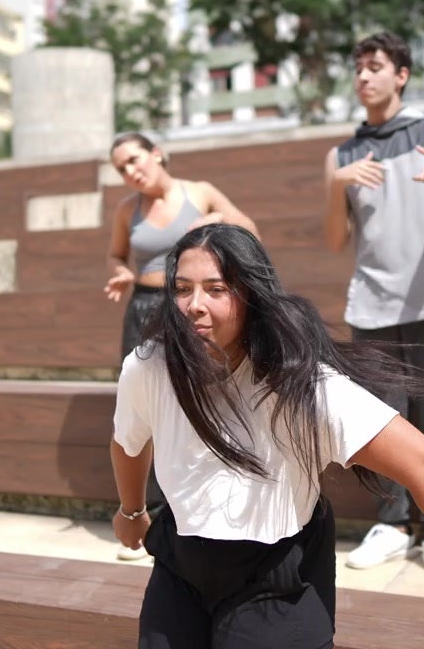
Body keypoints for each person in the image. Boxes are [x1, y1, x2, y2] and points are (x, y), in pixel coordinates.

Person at [110, 223, 424, 648]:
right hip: (181, 560)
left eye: (216, 289)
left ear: (251, 295)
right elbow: (128, 441)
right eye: (182, 289)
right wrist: (131, 511)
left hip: (274, 575)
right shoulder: (149, 366)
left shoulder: (304, 386)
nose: (194, 305)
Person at [322, 31, 424, 583]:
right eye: (358, 67)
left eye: (375, 66)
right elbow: (336, 241)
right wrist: (336, 185)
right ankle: (392, 525)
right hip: (373, 307)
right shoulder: (341, 154)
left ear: (401, 74)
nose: (364, 76)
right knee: (379, 426)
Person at [104, 131, 259, 561]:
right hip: (145, 307)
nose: (130, 171)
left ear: (156, 154)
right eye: (121, 168)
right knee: (147, 410)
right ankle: (152, 517)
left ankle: (207, 508)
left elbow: (249, 230)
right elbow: (115, 255)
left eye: (134, 159)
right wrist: (120, 272)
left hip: (194, 307)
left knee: (201, 403)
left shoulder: (199, 192)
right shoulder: (127, 209)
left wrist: (218, 221)